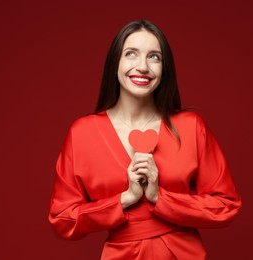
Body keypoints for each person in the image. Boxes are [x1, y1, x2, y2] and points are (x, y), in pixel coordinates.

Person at [48, 20, 242, 259]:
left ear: (165, 68)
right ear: (114, 62)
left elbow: (226, 206)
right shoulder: (83, 133)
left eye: (154, 57)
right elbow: (62, 220)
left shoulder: (190, 126)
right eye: (131, 54)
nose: (142, 67)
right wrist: (123, 200)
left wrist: (160, 198)